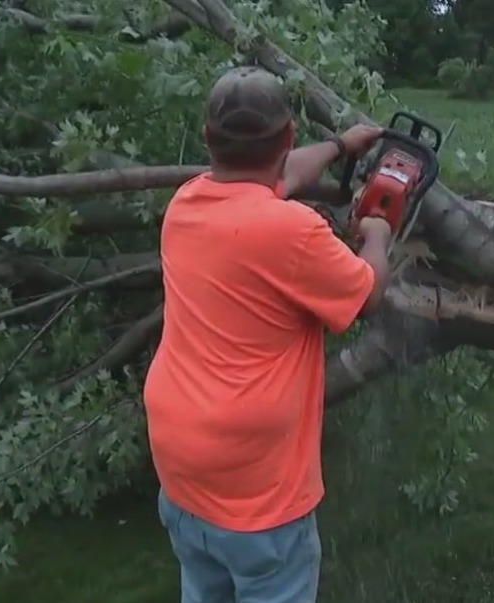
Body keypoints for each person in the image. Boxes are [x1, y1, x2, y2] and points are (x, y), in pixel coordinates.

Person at [142, 66, 393, 603]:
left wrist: (337, 146)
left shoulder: (186, 204)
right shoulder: (292, 231)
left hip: (182, 468)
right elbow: (367, 294)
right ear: (286, 137)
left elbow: (277, 178)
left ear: (209, 138)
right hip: (256, 490)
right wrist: (379, 235)